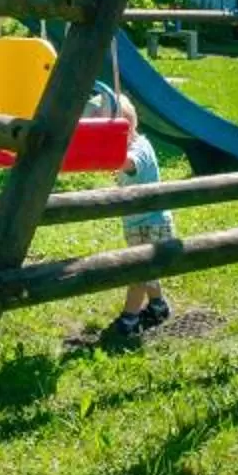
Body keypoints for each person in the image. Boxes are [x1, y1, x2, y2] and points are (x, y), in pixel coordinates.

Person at [96, 94, 178, 346]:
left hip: (152, 223)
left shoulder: (139, 149)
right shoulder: (130, 146)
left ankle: (130, 318)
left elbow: (130, 164)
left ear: (127, 127)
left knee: (138, 272)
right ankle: (157, 306)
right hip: (137, 223)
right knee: (148, 269)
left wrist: (111, 154)